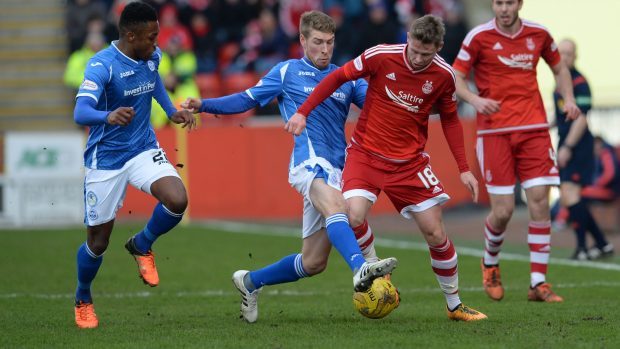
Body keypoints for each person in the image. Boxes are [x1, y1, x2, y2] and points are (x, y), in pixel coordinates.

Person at [182, 10, 397, 324]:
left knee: (313, 263)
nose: (325, 49)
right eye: (318, 42)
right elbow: (246, 100)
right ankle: (361, 269)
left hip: (338, 169)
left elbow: (381, 108)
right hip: (307, 164)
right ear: (302, 41)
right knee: (341, 207)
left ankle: (250, 282)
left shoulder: (345, 77)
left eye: (330, 43)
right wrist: (205, 104)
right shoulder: (287, 72)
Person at [286, 14, 487, 321]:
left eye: (426, 54)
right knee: (352, 215)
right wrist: (303, 112)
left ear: (439, 47)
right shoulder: (380, 56)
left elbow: (449, 118)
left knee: (435, 232)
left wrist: (464, 167)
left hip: (409, 164)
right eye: (415, 50)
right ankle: (375, 270)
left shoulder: (444, 76)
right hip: (366, 155)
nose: (418, 59)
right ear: (408, 37)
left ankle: (454, 305)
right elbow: (338, 77)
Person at [72, 1, 196, 329]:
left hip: (142, 148)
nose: (157, 44)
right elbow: (80, 111)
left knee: (177, 199)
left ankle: (142, 243)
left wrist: (169, 111)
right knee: (97, 243)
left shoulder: (151, 56)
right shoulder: (102, 65)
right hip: (106, 160)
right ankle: (83, 296)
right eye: (151, 37)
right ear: (131, 35)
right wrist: (106, 116)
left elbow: (153, 81)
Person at [452, 0, 581, 303]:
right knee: (504, 211)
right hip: (494, 132)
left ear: (520, 4)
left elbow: (560, 69)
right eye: (498, 3)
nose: (504, 9)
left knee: (539, 201)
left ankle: (538, 282)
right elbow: (455, 78)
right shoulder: (478, 37)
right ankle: (490, 261)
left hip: (534, 128)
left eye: (510, 2)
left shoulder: (539, 34)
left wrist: (569, 99)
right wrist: (475, 100)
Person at [552, 39, 614, 261]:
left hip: (578, 145)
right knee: (571, 196)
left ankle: (582, 248)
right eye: (561, 53)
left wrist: (568, 146)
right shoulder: (560, 81)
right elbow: (561, 117)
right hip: (566, 142)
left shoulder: (579, 82)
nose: (565, 57)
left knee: (570, 193)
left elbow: (582, 119)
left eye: (569, 53)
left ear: (575, 56)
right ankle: (601, 243)